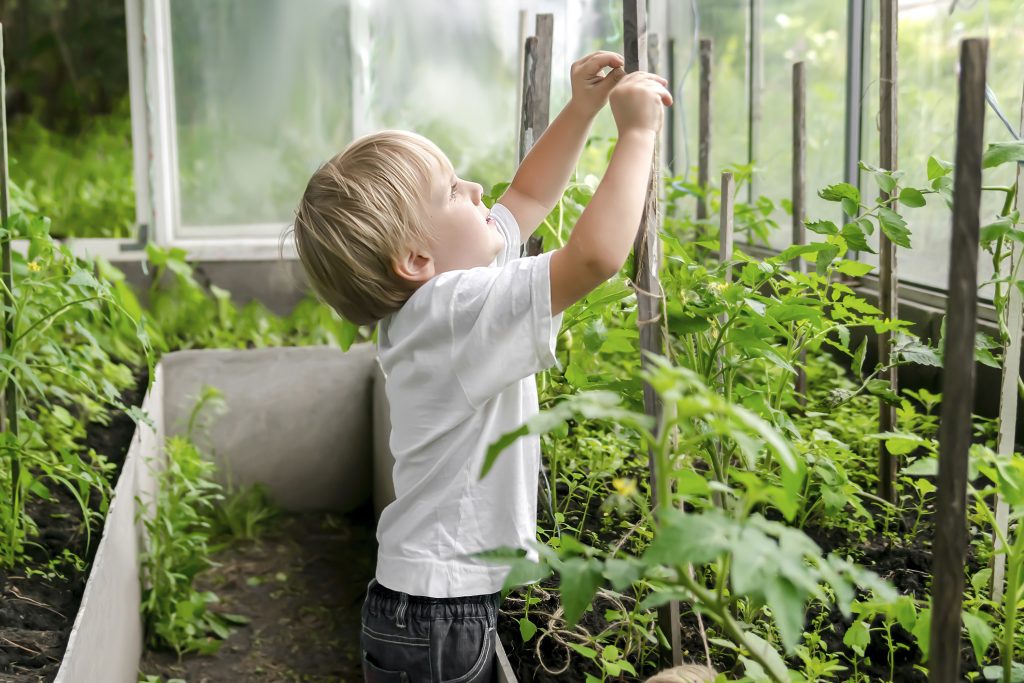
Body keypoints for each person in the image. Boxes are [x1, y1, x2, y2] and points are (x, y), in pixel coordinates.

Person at [290, 50, 671, 683]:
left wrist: (581, 110)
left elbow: (526, 196)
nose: (476, 191)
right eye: (452, 190)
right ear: (416, 259)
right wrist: (636, 134)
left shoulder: (438, 297)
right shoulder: (452, 310)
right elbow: (595, 257)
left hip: (427, 608)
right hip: (441, 616)